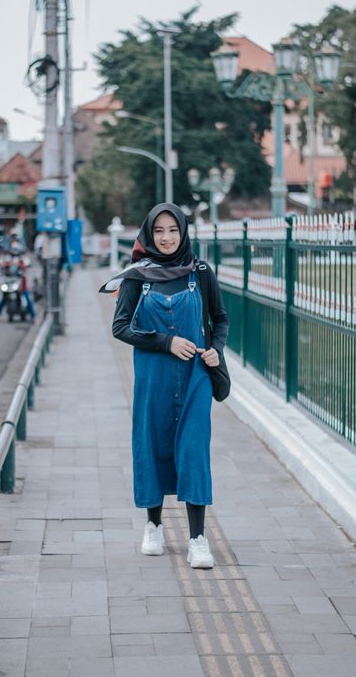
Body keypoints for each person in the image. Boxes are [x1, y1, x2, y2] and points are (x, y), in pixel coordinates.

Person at [103, 203, 228, 569]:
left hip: (195, 379)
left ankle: (198, 539)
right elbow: (120, 327)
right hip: (154, 377)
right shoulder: (136, 276)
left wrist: (216, 351)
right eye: (159, 231)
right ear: (148, 234)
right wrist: (165, 341)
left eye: (173, 230)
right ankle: (153, 526)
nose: (167, 237)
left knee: (193, 452)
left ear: (184, 231)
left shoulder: (200, 271)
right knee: (152, 446)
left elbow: (220, 318)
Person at [0, 252, 36, 321]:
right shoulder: (7, 261)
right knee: (4, 298)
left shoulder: (22, 261)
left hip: (21, 285)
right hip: (10, 284)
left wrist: (22, 271)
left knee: (27, 299)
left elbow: (26, 268)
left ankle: (34, 317)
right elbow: (2, 269)